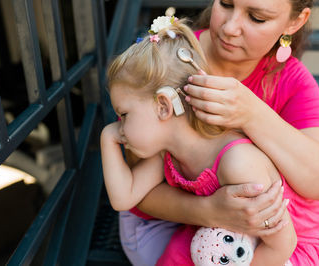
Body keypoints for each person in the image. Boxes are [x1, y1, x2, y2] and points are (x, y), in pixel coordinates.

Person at [114, 0, 319, 265]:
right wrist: (210, 212)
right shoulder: (169, 61)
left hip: (261, 231)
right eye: (225, 4)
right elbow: (140, 191)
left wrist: (252, 114)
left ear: (294, 22)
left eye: (257, 18)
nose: (229, 28)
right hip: (175, 217)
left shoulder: (290, 80)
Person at [101, 17, 297, 266]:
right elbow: (123, 198)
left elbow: (282, 245)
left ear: (163, 106)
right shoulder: (167, 155)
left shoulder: (238, 163)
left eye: (124, 115)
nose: (120, 127)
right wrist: (107, 137)